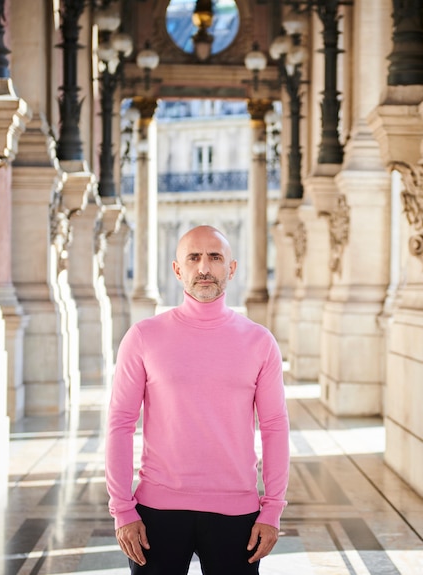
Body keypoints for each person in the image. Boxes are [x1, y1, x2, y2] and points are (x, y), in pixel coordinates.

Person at [105, 225, 290, 574]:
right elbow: (120, 423)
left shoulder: (259, 342)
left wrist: (273, 509)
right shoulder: (143, 337)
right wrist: (122, 509)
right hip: (156, 513)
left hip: (237, 514)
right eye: (194, 257)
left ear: (231, 269)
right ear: (178, 269)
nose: (204, 268)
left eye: (215, 257)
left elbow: (275, 426)